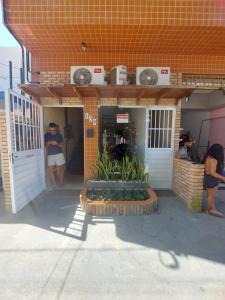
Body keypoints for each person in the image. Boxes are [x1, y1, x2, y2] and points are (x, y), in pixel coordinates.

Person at [204, 144, 225, 217]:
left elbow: (209, 171)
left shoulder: (208, 158)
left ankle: (210, 208)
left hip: (207, 177)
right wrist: (223, 178)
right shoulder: (214, 160)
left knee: (209, 195)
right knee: (211, 196)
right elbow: (213, 173)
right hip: (211, 179)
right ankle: (209, 210)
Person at [45, 122, 65, 188]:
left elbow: (62, 145)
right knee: (50, 169)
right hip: (50, 155)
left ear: (56, 129)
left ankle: (60, 182)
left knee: (61, 168)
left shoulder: (59, 135)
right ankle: (54, 184)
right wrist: (49, 142)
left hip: (59, 154)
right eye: (50, 130)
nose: (52, 132)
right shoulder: (46, 135)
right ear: (49, 129)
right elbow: (45, 146)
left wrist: (56, 144)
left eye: (53, 130)